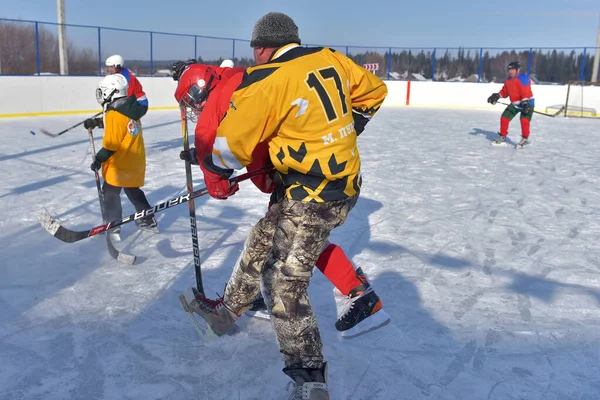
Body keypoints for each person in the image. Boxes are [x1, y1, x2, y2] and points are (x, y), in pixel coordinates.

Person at [182, 12, 388, 399]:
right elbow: (375, 91)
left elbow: (231, 147)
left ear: (261, 47)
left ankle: (309, 377)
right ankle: (226, 313)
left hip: (312, 195)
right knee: (262, 239)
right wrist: (350, 126)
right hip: (340, 182)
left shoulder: (266, 80)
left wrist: (206, 160)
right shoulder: (330, 57)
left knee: (283, 282)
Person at [174, 61, 389, 337]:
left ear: (199, 92)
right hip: (298, 164)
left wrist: (217, 177)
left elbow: (229, 163)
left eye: (192, 103)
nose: (194, 111)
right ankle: (358, 294)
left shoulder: (215, 105)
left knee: (273, 238)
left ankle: (227, 313)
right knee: (306, 237)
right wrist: (209, 159)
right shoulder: (238, 77)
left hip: (293, 173)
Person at [84, 74, 157, 239]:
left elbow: (112, 143)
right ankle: (148, 220)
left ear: (111, 92)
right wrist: (97, 123)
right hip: (135, 159)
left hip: (121, 162)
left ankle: (113, 225)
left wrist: (99, 159)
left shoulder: (114, 113)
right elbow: (121, 126)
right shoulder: (130, 107)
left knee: (110, 191)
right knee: (132, 189)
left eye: (103, 91)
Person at [487, 61, 535, 148]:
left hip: (527, 103)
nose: (510, 71)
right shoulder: (509, 80)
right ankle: (502, 137)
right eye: (509, 69)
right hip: (515, 104)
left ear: (517, 70)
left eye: (512, 69)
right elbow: (505, 92)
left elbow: (525, 92)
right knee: (504, 118)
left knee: (524, 120)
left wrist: (525, 103)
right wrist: (497, 96)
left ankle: (525, 138)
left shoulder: (523, 78)